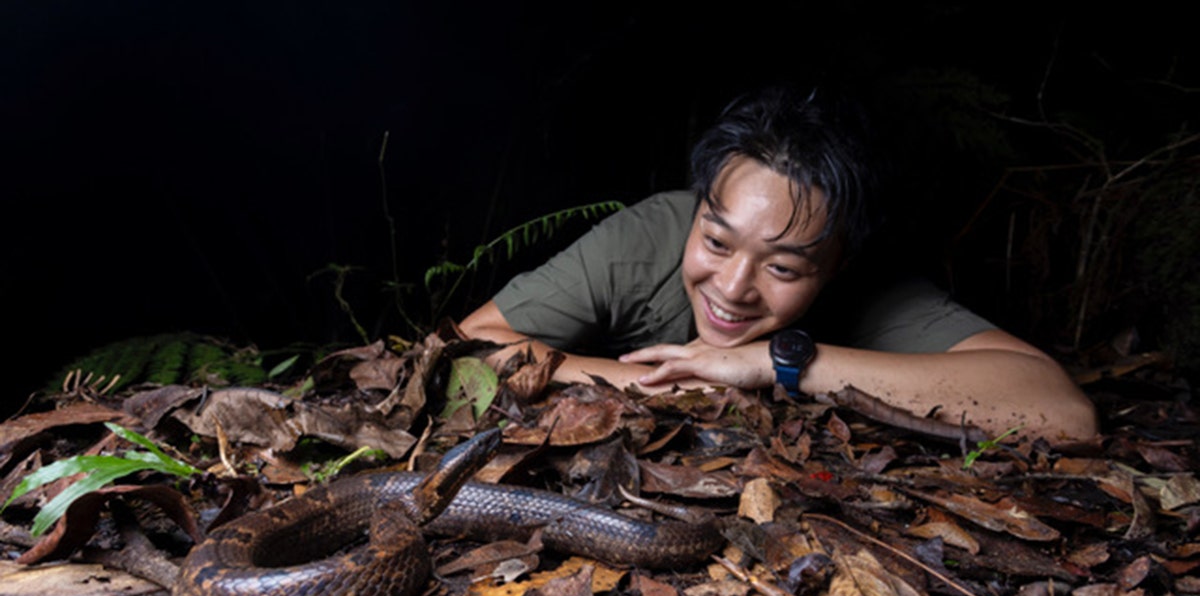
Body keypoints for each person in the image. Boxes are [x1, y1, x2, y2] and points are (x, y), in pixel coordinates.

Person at [460, 86, 1098, 441]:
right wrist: (689, 385)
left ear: (838, 265)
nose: (733, 288)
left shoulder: (873, 290)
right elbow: (473, 342)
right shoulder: (647, 234)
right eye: (716, 241)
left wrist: (773, 364)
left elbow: (1063, 412)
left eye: (784, 269)